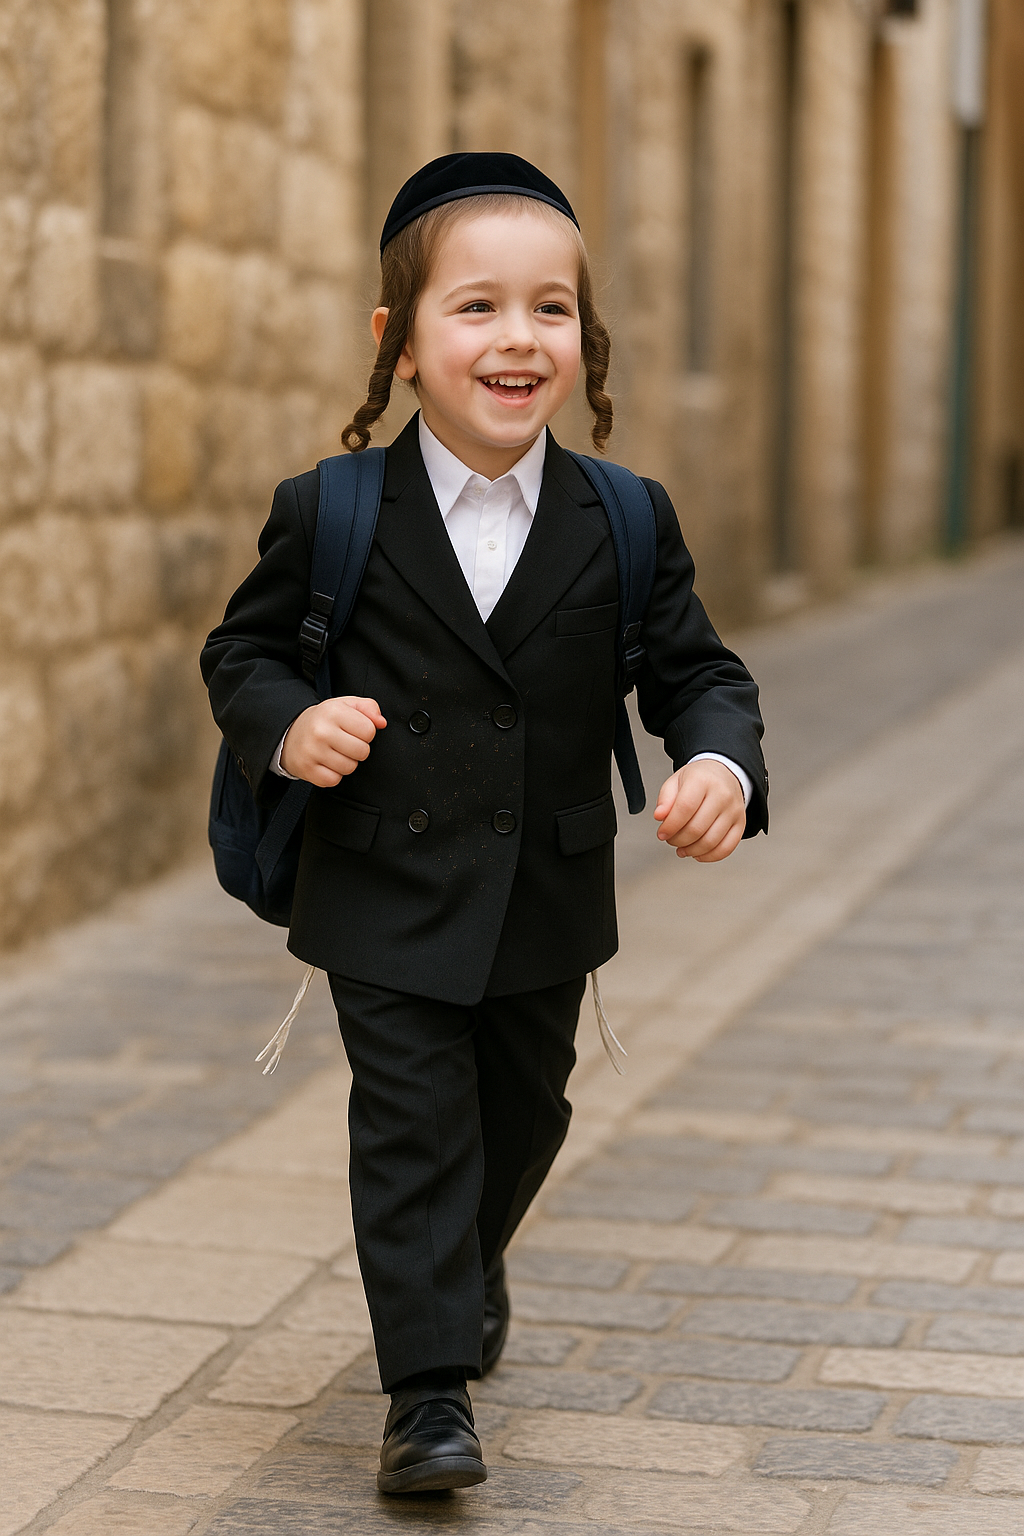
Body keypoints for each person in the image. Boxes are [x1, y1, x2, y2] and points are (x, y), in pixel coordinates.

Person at [201, 152, 768, 1494]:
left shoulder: (623, 519)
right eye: (478, 307)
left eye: (550, 309)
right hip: (381, 883)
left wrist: (719, 764)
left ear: (584, 339)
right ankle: (427, 1398)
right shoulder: (333, 510)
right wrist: (291, 725)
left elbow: (697, 673)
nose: (519, 336)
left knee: (521, 1118)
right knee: (411, 1126)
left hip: (545, 892)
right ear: (398, 342)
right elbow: (245, 652)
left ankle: (466, 1259)